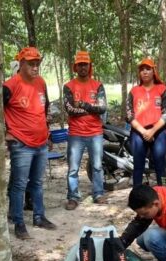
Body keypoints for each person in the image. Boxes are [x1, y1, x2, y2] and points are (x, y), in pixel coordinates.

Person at [3, 47, 57, 240]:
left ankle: (39, 216)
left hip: (41, 142)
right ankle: (18, 222)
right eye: (31, 64)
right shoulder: (10, 85)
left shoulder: (41, 82)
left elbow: (45, 108)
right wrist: (5, 134)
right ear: (22, 64)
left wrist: (48, 133)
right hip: (21, 144)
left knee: (37, 182)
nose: (35, 67)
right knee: (19, 184)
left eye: (37, 64)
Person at [63, 51, 108, 210]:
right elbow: (69, 109)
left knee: (97, 165)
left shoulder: (98, 85)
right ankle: (73, 197)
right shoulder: (69, 86)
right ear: (75, 67)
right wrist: (91, 109)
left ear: (89, 66)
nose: (83, 67)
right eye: (80, 64)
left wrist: (84, 105)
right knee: (73, 168)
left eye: (85, 64)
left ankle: (98, 193)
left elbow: (102, 108)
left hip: (95, 132)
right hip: (76, 133)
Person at [126, 58, 166, 188]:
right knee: (138, 165)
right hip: (138, 132)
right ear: (139, 73)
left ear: (154, 71)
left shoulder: (162, 89)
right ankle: (137, 195)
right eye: (142, 69)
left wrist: (152, 131)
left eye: (148, 69)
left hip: (158, 132)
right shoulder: (134, 91)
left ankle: (164, 193)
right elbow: (129, 114)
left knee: (160, 164)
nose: (145, 72)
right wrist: (143, 131)